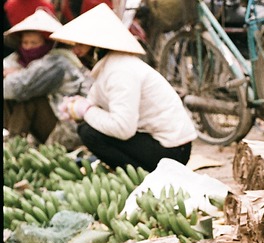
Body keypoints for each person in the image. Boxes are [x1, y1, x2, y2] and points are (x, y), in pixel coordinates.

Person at [49, 3, 197, 172]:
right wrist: (76, 107)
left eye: (81, 45)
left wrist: (86, 110)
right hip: (161, 143)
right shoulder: (108, 67)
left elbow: (123, 128)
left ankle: (140, 174)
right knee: (87, 126)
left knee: (89, 133)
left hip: (172, 150)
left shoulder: (120, 71)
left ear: (97, 46)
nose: (76, 51)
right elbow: (95, 102)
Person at [3, 8, 89, 146]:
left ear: (47, 43)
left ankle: (13, 143)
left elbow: (17, 87)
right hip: (48, 122)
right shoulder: (21, 60)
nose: (29, 47)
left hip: (67, 130)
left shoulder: (56, 63)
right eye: (25, 43)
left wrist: (15, 74)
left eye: (34, 43)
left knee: (28, 98)